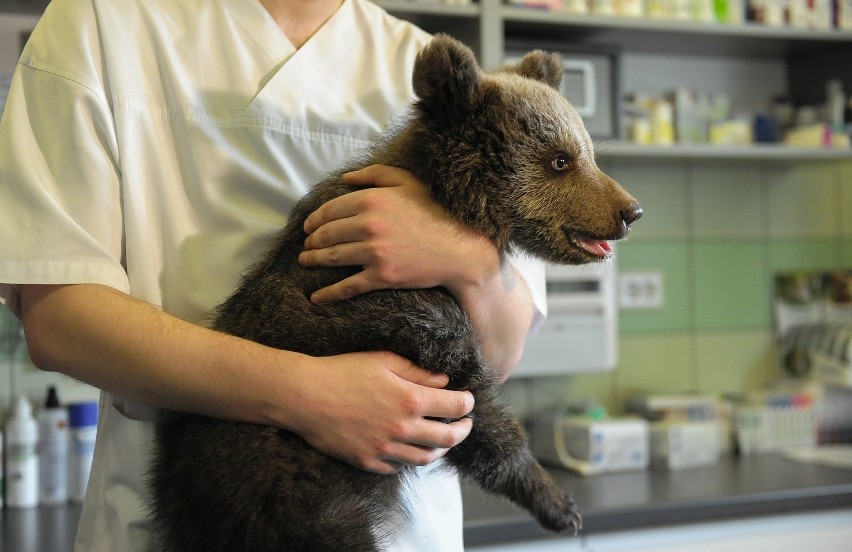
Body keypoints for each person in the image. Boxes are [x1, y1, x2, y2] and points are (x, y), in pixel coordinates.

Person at [0, 0, 546, 550]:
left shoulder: (429, 64)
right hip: (201, 502)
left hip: (408, 524)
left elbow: (498, 357)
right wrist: (308, 395)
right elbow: (60, 319)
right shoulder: (101, 22)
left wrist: (466, 260)